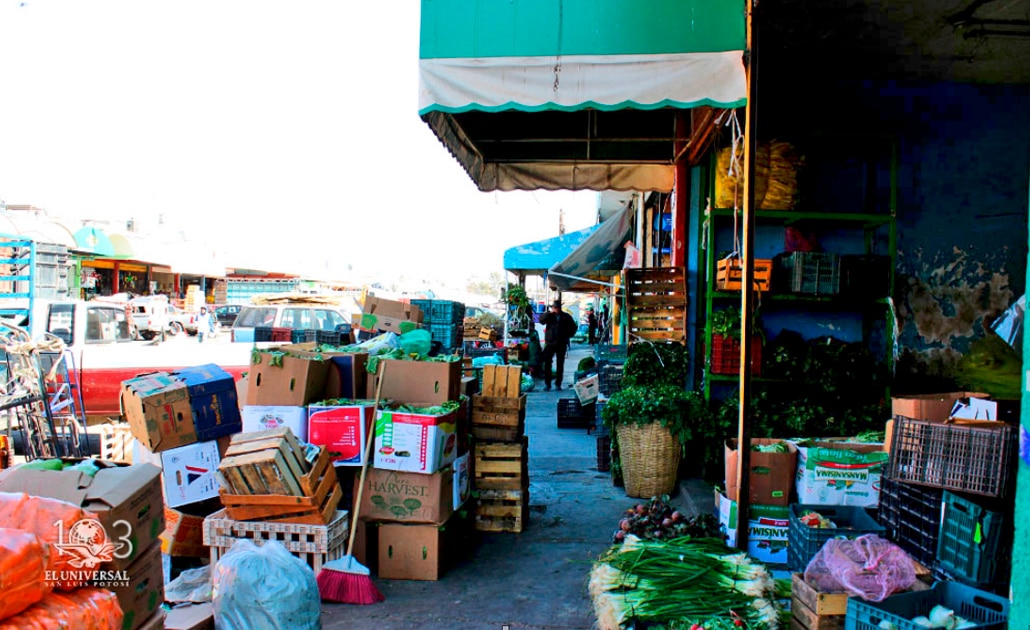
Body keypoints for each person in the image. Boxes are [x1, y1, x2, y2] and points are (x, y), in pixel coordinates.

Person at [539, 300, 577, 390]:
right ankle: (547, 384)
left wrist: (567, 335)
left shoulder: (566, 316)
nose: (556, 309)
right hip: (550, 342)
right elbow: (541, 321)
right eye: (554, 307)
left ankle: (558, 383)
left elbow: (574, 327)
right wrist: (548, 313)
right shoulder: (549, 316)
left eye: (557, 307)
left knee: (560, 364)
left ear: (560, 308)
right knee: (547, 363)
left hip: (561, 343)